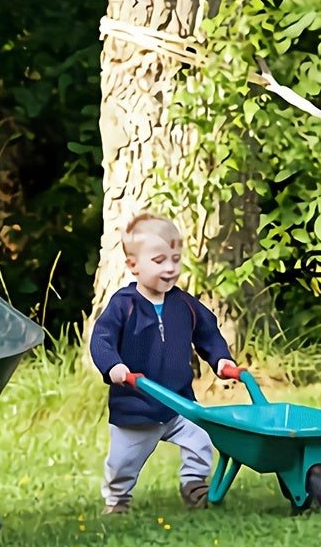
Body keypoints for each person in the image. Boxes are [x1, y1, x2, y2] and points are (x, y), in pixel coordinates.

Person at [90, 213, 235, 514]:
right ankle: (117, 500)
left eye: (175, 259)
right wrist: (113, 366)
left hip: (179, 403)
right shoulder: (123, 304)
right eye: (159, 261)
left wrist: (220, 359)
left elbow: (208, 332)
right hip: (137, 406)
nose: (170, 268)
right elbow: (101, 340)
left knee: (202, 439)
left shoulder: (184, 305)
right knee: (123, 462)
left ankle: (194, 485)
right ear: (133, 266)